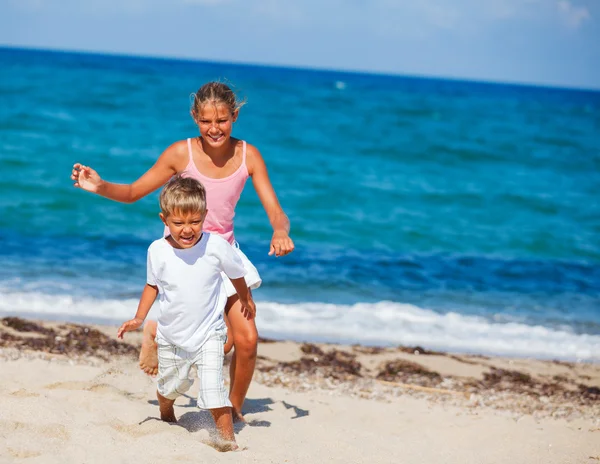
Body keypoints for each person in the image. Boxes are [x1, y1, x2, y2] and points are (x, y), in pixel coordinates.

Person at [71, 81, 294, 421]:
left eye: (222, 120)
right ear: (195, 118)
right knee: (204, 339)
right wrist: (100, 186)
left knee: (245, 340)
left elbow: (276, 210)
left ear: (234, 116)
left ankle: (233, 410)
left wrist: (280, 230)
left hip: (222, 254)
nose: (214, 129)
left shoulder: (249, 155)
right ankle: (158, 333)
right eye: (206, 121)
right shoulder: (180, 153)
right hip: (183, 256)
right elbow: (132, 191)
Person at [118, 175, 255, 452]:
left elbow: (236, 273)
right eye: (178, 223)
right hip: (172, 336)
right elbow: (151, 285)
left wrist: (245, 297)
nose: (187, 230)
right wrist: (139, 317)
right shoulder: (157, 251)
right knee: (171, 387)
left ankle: (228, 442)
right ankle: (166, 413)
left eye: (194, 221)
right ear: (164, 219)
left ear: (204, 215)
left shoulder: (216, 246)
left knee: (214, 388)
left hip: (210, 334)